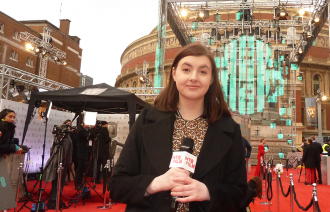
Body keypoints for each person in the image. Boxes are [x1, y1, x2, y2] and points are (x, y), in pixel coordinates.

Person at [109, 43, 248, 212]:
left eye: (203, 72)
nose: (194, 77)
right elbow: (117, 185)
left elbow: (239, 193)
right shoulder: (147, 120)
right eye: (186, 70)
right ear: (174, 73)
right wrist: (155, 184)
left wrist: (208, 192)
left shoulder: (229, 129)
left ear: (211, 79)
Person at [43, 121, 73, 209]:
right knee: (59, 182)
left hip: (59, 162)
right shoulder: (65, 138)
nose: (69, 129)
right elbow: (64, 151)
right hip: (61, 163)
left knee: (56, 182)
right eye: (68, 127)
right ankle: (55, 200)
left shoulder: (58, 137)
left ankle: (54, 199)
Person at [74, 122, 92, 189]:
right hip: (81, 152)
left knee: (82, 168)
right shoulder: (81, 130)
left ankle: (80, 183)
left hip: (83, 151)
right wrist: (91, 130)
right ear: (83, 124)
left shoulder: (83, 130)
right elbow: (89, 134)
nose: (88, 126)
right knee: (80, 168)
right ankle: (78, 184)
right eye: (87, 124)